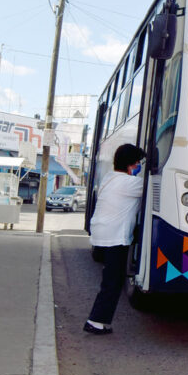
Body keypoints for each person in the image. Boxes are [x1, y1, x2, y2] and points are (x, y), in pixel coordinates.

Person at [84, 144, 145, 335]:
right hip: (114, 237)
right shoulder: (129, 183)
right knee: (112, 282)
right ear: (130, 164)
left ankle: (99, 321)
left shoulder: (111, 178)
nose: (138, 166)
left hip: (102, 233)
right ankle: (96, 321)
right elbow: (154, 185)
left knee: (112, 280)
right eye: (137, 163)